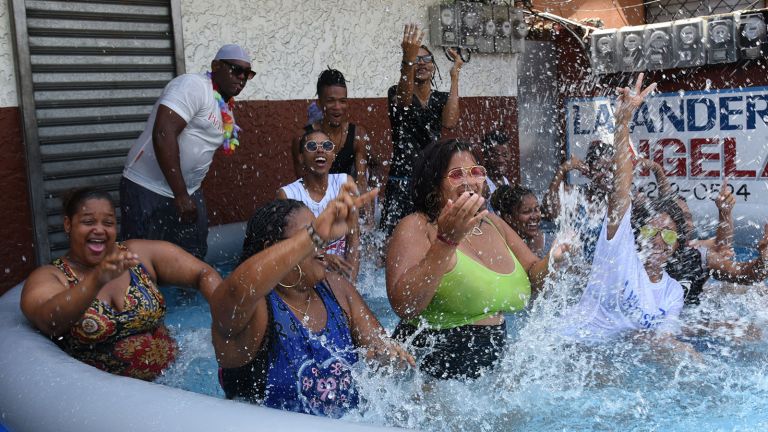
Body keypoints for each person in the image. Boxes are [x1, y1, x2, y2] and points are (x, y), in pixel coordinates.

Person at [211, 183, 413, 417]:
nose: (323, 243)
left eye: (320, 236)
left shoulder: (337, 289)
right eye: (311, 235)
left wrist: (387, 357)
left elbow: (387, 356)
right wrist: (315, 234)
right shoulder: (256, 309)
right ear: (273, 249)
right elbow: (236, 290)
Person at [386, 139, 562, 380]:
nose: (469, 182)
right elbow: (405, 306)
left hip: (483, 381)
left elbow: (533, 273)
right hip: (428, 379)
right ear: (434, 185)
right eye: (457, 175)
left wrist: (555, 259)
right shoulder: (416, 225)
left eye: (475, 172)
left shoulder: (492, 222)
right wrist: (446, 241)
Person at [20, 188, 222, 381]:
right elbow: (49, 322)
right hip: (112, 401)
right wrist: (97, 279)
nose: (99, 229)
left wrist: (228, 320)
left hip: (178, 376)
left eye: (108, 222)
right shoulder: (52, 276)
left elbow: (203, 274)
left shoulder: (137, 255)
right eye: (88, 221)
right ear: (68, 225)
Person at [562, 74, 695, 350]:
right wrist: (622, 123)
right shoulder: (619, 251)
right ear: (637, 234)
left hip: (615, 358)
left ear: (677, 246)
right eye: (650, 231)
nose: (658, 241)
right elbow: (621, 193)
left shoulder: (672, 292)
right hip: (574, 348)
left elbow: (665, 339)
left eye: (668, 236)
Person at [121, 44, 254, 259]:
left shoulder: (224, 106)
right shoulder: (193, 86)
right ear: (216, 66)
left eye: (247, 74)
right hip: (147, 187)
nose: (242, 78)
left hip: (189, 191)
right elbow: (164, 133)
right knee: (139, 259)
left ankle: (185, 294)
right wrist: (180, 195)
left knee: (193, 254)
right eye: (235, 70)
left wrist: (186, 193)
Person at [637, 159, 768, 304]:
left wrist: (765, 259)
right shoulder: (632, 256)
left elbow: (744, 270)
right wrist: (657, 170)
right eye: (651, 232)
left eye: (687, 217)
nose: (657, 240)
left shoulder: (697, 256)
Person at [380, 23, 462, 236]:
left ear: (434, 66)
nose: (422, 63)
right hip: (401, 180)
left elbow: (450, 122)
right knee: (393, 238)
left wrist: (455, 76)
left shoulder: (440, 99)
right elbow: (405, 103)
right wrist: (408, 59)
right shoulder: (396, 93)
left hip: (428, 179)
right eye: (417, 59)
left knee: (429, 235)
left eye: (427, 59)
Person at [279, 130, 360, 281]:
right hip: (306, 275)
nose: (320, 149)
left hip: (341, 275)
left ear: (333, 155)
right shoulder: (288, 194)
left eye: (327, 145)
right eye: (312, 146)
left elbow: (353, 238)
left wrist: (351, 282)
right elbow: (289, 248)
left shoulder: (345, 183)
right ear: (301, 158)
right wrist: (322, 258)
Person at [291, 69, 375, 201]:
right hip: (317, 203)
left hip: (347, 203)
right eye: (330, 101)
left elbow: (361, 181)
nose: (337, 107)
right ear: (319, 103)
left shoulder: (357, 135)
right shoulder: (303, 139)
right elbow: (303, 187)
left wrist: (369, 221)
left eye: (342, 101)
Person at [491, 184, 550, 258]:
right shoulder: (500, 249)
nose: (534, 216)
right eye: (526, 212)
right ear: (508, 218)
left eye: (537, 209)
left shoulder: (551, 243)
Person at [480, 130, 512, 196]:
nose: (501, 160)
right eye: (495, 155)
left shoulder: (510, 186)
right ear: (485, 156)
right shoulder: (481, 187)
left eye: (505, 155)